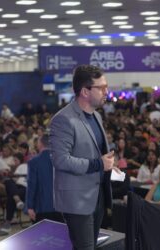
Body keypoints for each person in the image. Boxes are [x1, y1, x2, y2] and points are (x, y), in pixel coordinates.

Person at [50, 65, 116, 250]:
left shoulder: (96, 116)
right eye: (101, 87)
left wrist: (108, 164)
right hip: (77, 199)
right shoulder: (63, 119)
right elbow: (60, 160)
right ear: (85, 91)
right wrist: (98, 164)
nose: (106, 91)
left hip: (98, 195)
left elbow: (95, 154)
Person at [27, 134, 63, 223]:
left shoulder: (34, 161)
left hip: (41, 206)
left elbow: (32, 184)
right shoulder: (62, 159)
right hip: (61, 207)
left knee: (41, 235)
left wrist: (30, 206)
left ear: (40, 144)